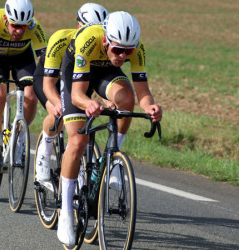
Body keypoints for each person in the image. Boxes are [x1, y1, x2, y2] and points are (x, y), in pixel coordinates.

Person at [57, 11, 163, 247]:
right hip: (75, 75)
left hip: (105, 72)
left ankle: (113, 159)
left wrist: (151, 107)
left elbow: (143, 93)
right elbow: (77, 94)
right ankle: (65, 211)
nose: (123, 55)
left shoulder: (135, 48)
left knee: (127, 98)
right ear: (105, 40)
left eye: (129, 52)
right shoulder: (88, 40)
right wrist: (88, 102)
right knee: (77, 141)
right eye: (118, 50)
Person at [32, 3, 109, 182]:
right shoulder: (61, 39)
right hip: (48, 79)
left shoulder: (97, 46)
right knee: (57, 112)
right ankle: (45, 151)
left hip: (74, 81)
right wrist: (59, 103)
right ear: (79, 26)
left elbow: (96, 79)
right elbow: (48, 85)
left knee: (80, 123)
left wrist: (106, 99)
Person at [0, 0, 47, 176]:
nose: (19, 31)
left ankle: (19, 138)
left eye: (23, 27)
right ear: (6, 19)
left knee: (31, 97)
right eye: (15, 26)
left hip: (23, 60)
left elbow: (45, 62)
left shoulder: (34, 26)